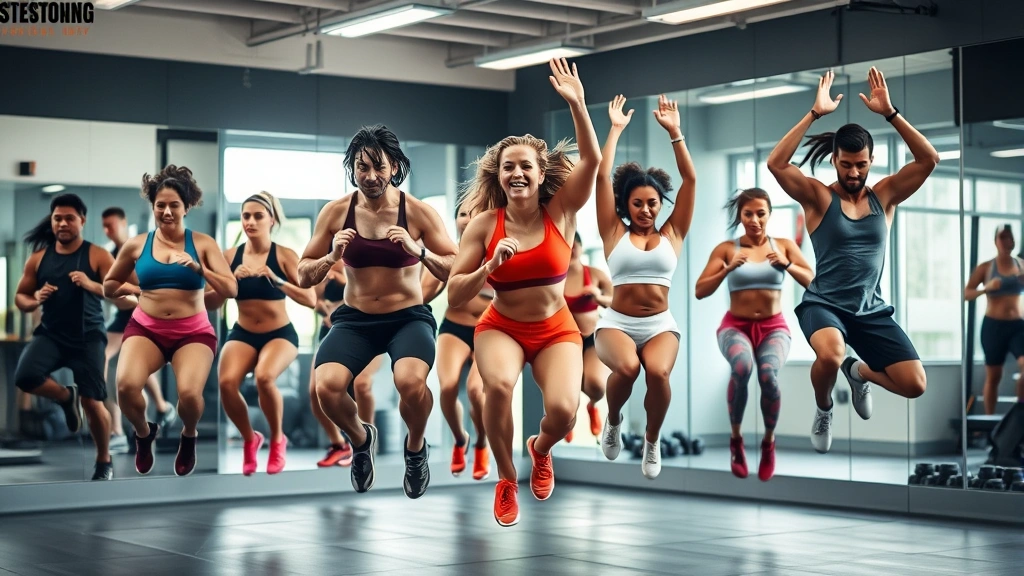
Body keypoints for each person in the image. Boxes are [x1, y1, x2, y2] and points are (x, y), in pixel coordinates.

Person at [449, 58, 601, 527]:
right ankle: (506, 478)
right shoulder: (483, 225)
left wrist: (577, 104)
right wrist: (489, 267)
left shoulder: (562, 212)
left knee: (563, 411)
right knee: (496, 386)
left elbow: (593, 161)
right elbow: (455, 294)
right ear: (498, 176)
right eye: (508, 167)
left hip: (557, 328)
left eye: (526, 167)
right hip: (503, 327)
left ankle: (540, 448)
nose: (517, 173)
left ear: (540, 174)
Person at [766, 68, 938, 453]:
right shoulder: (818, 198)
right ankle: (824, 408)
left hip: (871, 311)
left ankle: (859, 373)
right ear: (834, 160)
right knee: (830, 354)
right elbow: (777, 164)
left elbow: (929, 159)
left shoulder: (886, 196)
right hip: (825, 305)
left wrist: (891, 114)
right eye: (847, 165)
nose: (855, 173)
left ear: (871, 160)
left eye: (862, 165)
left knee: (915, 384)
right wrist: (813, 114)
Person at [297, 124, 458, 499]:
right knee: (327, 387)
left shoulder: (417, 212)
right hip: (355, 320)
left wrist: (419, 252)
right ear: (352, 169)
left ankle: (415, 447)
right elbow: (304, 274)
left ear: (394, 167)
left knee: (410, 384)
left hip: (407, 318)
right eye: (362, 167)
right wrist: (331, 256)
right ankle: (360, 437)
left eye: (379, 167)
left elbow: (455, 265)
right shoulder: (336, 213)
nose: (370, 176)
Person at [104, 165, 238, 476]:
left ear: (186, 207)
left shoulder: (202, 243)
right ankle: (142, 433)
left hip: (192, 333)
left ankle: (188, 434)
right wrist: (137, 290)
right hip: (146, 329)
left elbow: (231, 288)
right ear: (153, 207)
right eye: (160, 205)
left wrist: (199, 270)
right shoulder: (137, 245)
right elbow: (110, 285)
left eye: (173, 205)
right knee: (125, 387)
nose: (166, 211)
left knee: (189, 396)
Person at [592, 94, 696, 480]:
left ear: (660, 204)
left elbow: (691, 179)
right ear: (625, 205)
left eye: (652, 203)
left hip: (660, 326)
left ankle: (651, 441)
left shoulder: (675, 232)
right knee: (628, 367)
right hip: (616, 323)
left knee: (659, 375)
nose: (646, 210)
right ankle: (615, 419)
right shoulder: (612, 232)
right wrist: (615, 130)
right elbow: (602, 176)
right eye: (638, 204)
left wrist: (675, 132)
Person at [695, 188, 813, 481]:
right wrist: (726, 270)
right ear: (740, 216)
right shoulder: (727, 249)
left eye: (761, 213)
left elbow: (813, 281)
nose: (755, 219)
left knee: (768, 375)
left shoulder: (783, 246)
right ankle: (736, 440)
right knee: (742, 367)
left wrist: (788, 265)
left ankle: (769, 442)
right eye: (748, 213)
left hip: (774, 327)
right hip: (735, 326)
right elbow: (700, 290)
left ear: (769, 214)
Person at [206, 192, 316, 476]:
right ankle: (250, 438)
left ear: (272, 220)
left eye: (258, 216)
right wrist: (230, 282)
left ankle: (278, 439)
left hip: (280, 334)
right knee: (227, 382)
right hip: (243, 333)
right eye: (246, 216)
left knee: (265, 377)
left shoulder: (284, 255)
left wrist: (277, 280)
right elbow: (211, 303)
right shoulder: (230, 257)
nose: (250, 221)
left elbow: (311, 299)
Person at [14, 194, 117, 480]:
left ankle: (103, 460)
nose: (62, 223)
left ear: (82, 220)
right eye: (57, 218)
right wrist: (34, 298)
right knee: (25, 376)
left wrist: (91, 284)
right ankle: (64, 396)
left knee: (93, 403)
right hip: (52, 335)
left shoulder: (97, 255)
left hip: (88, 337)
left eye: (69, 218)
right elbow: (20, 297)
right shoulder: (38, 259)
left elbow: (123, 292)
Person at [421, 201, 492, 480]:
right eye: (463, 214)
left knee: (476, 391)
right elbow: (424, 293)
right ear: (456, 222)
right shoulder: (449, 254)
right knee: (447, 388)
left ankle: (482, 442)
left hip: (489, 330)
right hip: (455, 326)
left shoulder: (495, 250)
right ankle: (460, 439)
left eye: (475, 214)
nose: (468, 218)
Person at [100, 207, 177, 455]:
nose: (107, 230)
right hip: (125, 315)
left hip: (148, 313)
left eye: (110, 225)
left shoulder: (143, 247)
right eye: (104, 226)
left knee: (139, 364)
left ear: (124, 223)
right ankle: (117, 431)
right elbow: (113, 290)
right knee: (102, 357)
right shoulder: (111, 255)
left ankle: (163, 407)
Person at [309, 264, 383, 468]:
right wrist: (323, 306)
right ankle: (339, 444)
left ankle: (367, 442)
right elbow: (312, 300)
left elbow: (377, 296)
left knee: (362, 384)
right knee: (316, 391)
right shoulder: (326, 266)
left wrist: (344, 282)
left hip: (368, 330)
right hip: (334, 333)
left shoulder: (367, 262)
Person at [964, 225, 1024, 414]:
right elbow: (966, 293)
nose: (1007, 242)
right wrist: (986, 287)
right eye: (1003, 237)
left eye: (1010, 238)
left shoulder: (1021, 265)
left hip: (1018, 326)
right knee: (994, 377)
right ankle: (990, 423)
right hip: (994, 326)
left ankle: (1018, 419)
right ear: (995, 241)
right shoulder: (986, 267)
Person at [563, 233, 613, 442]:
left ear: (581, 247)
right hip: (565, 342)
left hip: (591, 337)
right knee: (568, 392)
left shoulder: (595, 274)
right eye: (568, 245)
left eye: (576, 245)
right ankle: (568, 417)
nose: (572, 249)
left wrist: (597, 295)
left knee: (596, 386)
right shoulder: (555, 278)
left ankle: (592, 405)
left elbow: (617, 303)